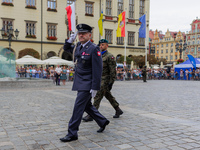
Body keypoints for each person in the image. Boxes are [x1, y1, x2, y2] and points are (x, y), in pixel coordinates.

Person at [60, 24, 109, 142]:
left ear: (89, 35)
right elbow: (67, 49)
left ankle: (72, 133)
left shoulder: (94, 48)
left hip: (87, 83)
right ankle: (102, 121)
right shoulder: (78, 46)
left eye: (83, 33)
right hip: (79, 81)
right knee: (87, 106)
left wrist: (95, 87)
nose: (81, 35)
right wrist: (69, 40)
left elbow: (98, 69)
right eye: (79, 33)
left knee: (78, 107)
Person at [82, 39, 123, 122]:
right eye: (100, 45)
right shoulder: (98, 55)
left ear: (107, 46)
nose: (101, 46)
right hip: (98, 78)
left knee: (97, 96)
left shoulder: (109, 56)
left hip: (105, 79)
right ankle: (118, 109)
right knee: (108, 95)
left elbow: (112, 71)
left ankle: (91, 115)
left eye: (103, 45)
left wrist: (111, 82)